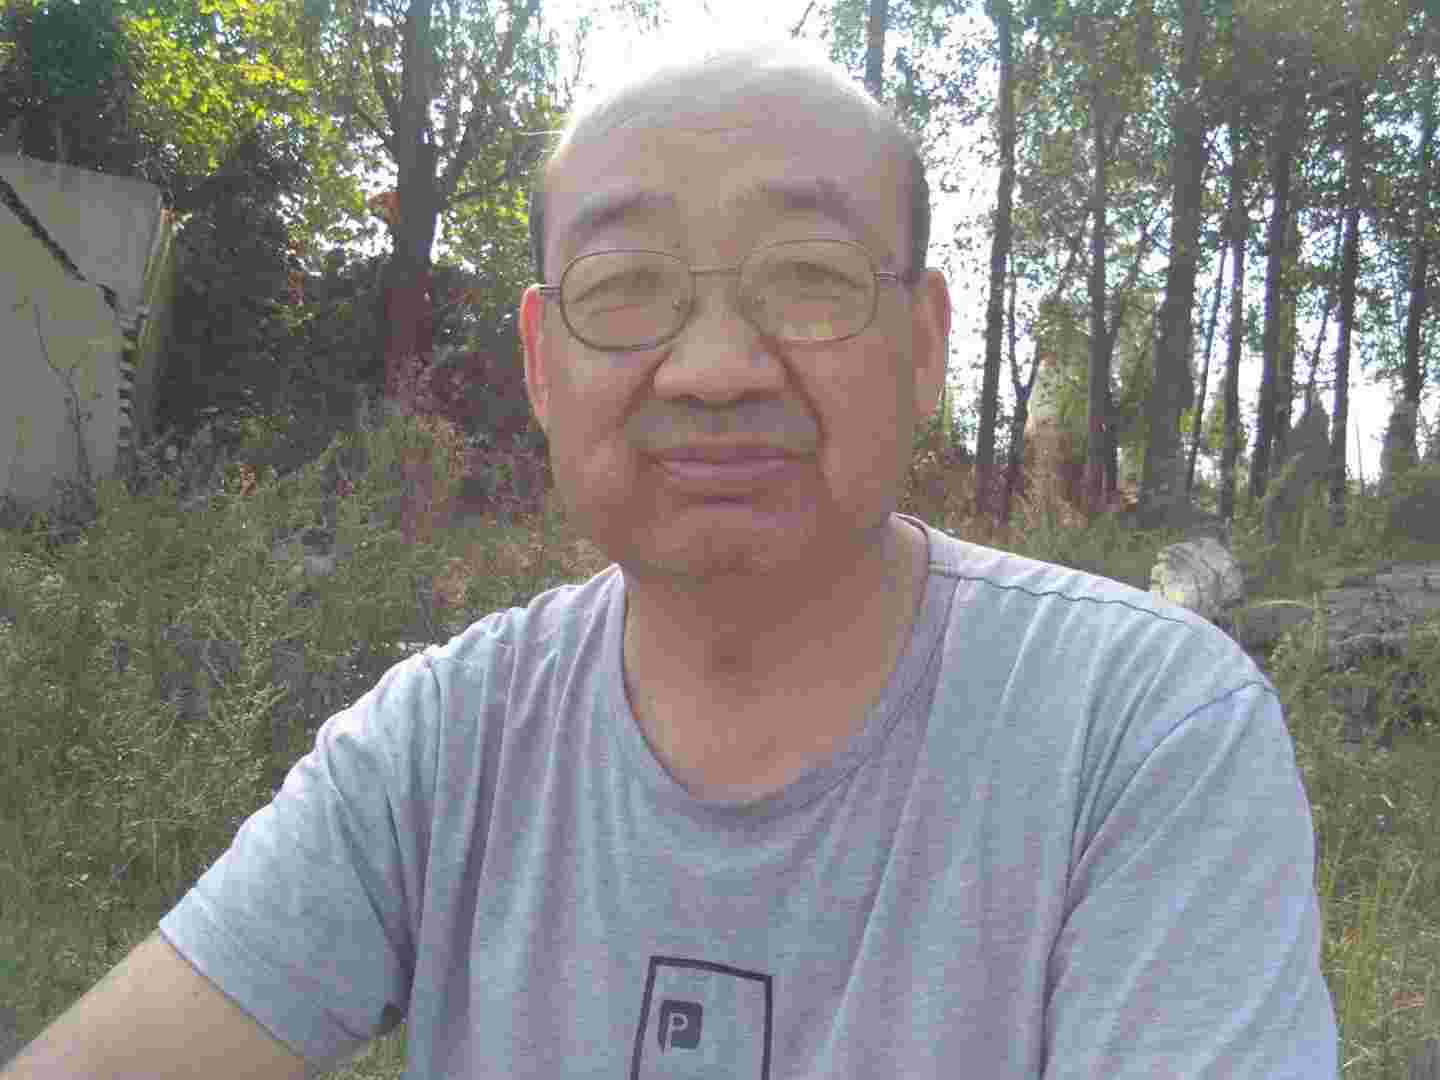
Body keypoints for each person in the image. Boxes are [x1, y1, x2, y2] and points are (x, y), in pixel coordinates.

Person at [3, 40, 1336, 1079]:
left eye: (807, 275)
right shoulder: (442, 748)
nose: (711, 369)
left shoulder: (1142, 732)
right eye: (625, 287)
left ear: (924, 347)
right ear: (542, 365)